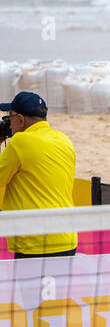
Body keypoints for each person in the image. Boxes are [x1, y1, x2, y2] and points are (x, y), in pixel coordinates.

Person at [0, 91, 77, 258]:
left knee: (29, 285)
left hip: (35, 242)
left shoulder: (19, 142)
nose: (8, 123)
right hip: (66, 237)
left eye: (10, 117)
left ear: (20, 119)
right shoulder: (63, 139)